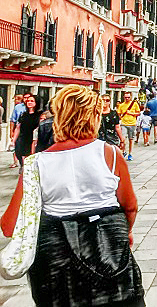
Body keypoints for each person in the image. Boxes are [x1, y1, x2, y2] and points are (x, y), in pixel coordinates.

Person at [0, 84, 143, 306]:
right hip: (111, 269)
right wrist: (127, 231)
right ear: (94, 116)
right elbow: (130, 206)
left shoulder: (35, 164)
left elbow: (9, 226)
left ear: (58, 117)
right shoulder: (110, 154)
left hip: (57, 277)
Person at [10, 95, 42, 171]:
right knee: (22, 159)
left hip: (33, 140)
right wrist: (13, 141)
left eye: (32, 101)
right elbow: (18, 127)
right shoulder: (23, 115)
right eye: (28, 101)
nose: (29, 103)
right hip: (23, 139)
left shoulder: (40, 115)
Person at [117, 92, 140, 161]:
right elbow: (118, 114)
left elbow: (138, 113)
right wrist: (120, 118)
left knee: (131, 139)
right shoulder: (121, 105)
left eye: (128, 97)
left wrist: (131, 113)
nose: (127, 99)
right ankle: (124, 151)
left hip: (132, 123)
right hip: (124, 123)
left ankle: (130, 153)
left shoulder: (134, 104)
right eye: (125, 97)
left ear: (130, 97)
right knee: (123, 139)